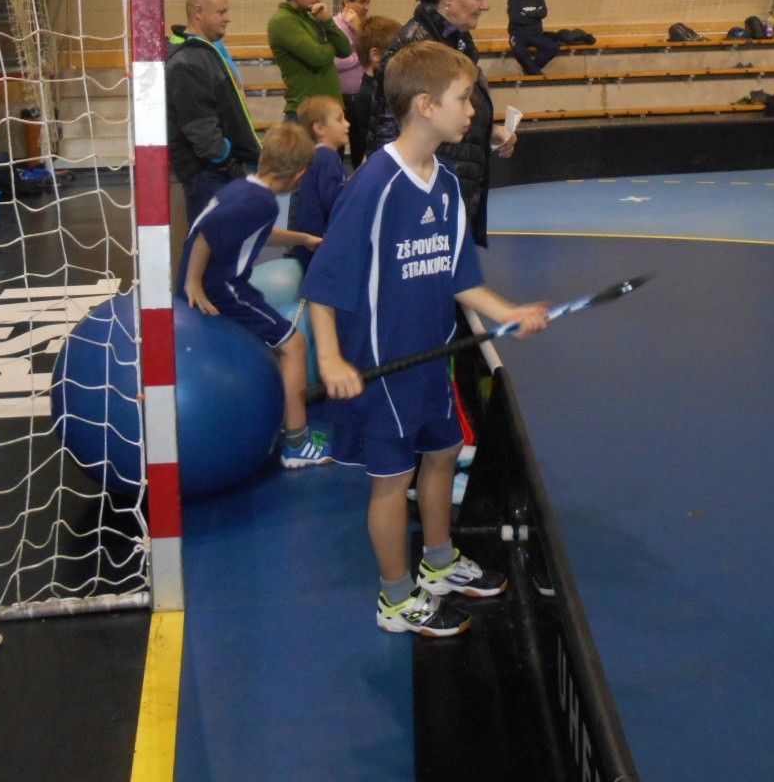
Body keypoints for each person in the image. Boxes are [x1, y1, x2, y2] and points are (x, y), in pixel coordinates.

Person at [304, 42, 549, 636]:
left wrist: (509, 313)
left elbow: (463, 278)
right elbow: (322, 282)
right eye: (463, 99)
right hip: (382, 365)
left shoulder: (446, 185)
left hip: (433, 358)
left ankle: (438, 561)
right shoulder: (374, 185)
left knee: (442, 451)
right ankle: (394, 598)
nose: (473, 110)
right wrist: (331, 358)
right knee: (393, 481)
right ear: (425, 105)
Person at [181, 123, 330, 468]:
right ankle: (297, 442)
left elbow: (255, 231)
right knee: (294, 344)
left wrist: (302, 238)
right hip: (225, 288)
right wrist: (193, 282)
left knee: (279, 342)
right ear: (299, 175)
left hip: (220, 282)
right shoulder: (261, 203)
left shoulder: (244, 189)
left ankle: (284, 420)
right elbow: (207, 233)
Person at [367, 0, 515, 249]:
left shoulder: (459, 43)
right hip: (426, 209)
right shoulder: (414, 51)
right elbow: (388, 134)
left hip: (452, 196)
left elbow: (443, 115)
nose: (485, 5)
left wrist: (487, 130)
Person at [166, 0, 260, 217]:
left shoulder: (203, 52)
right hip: (209, 175)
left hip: (216, 173)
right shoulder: (188, 61)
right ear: (199, 12)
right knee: (214, 237)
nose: (227, 18)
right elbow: (200, 126)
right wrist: (227, 163)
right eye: (221, 12)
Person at [267, 0, 353, 121]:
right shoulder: (283, 21)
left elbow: (345, 49)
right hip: (306, 112)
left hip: (328, 108)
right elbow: (319, 57)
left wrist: (327, 21)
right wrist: (331, 45)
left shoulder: (312, 16)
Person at [285, 94, 349, 270]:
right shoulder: (327, 157)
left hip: (310, 242)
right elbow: (334, 202)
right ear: (320, 128)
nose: (347, 124)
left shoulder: (318, 156)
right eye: (340, 120)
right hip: (318, 245)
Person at [349, 15, 400, 167]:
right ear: (376, 55)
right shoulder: (369, 95)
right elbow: (363, 146)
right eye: (397, 52)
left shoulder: (380, 89)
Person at [506, 0, 561, 76]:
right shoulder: (513, 0)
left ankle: (530, 71)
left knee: (553, 47)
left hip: (536, 34)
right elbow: (515, 18)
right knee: (519, 51)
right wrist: (535, 15)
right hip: (519, 35)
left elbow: (543, 13)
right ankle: (536, 74)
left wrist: (525, 13)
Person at [333, 0, 371, 106]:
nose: (366, 7)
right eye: (362, 2)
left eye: (368, 2)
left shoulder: (366, 26)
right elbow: (336, 62)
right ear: (347, 2)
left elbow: (376, 52)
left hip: (365, 95)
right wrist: (363, 56)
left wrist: (359, 28)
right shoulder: (333, 27)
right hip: (343, 98)